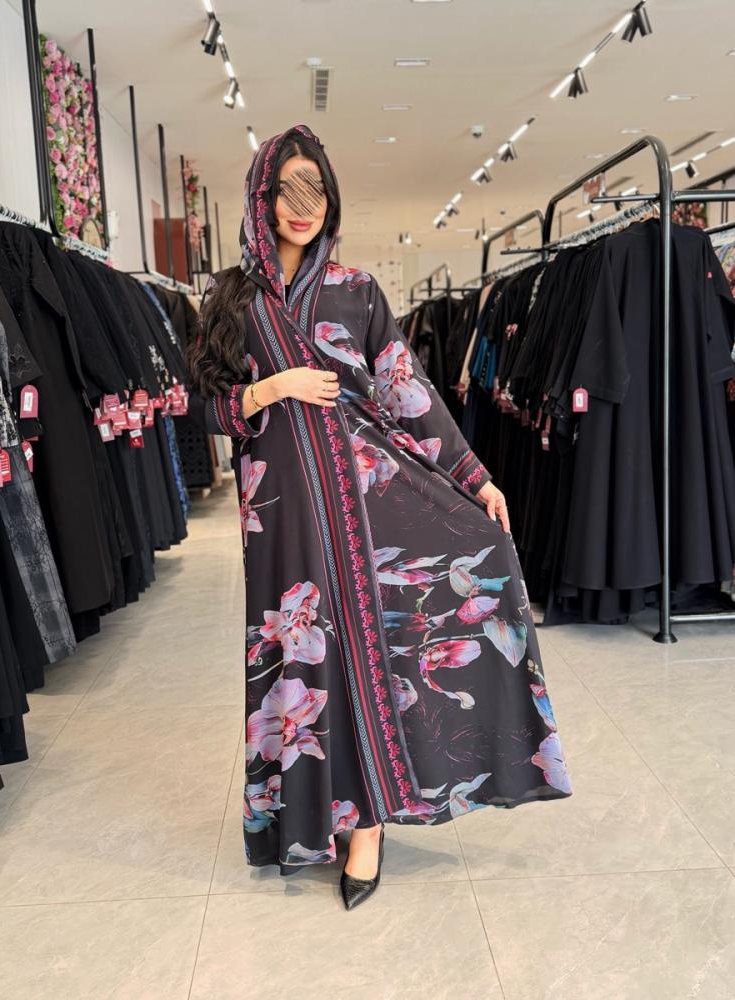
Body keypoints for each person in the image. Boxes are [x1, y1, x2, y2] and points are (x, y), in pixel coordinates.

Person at [186, 124, 572, 911]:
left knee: (373, 649)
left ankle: (366, 825)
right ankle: (309, 818)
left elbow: (408, 392)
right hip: (280, 515)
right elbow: (207, 406)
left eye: (316, 190)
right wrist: (273, 387)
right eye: (287, 190)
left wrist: (474, 477)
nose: (302, 206)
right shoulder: (231, 297)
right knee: (306, 661)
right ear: (261, 198)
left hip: (371, 499)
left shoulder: (357, 291)